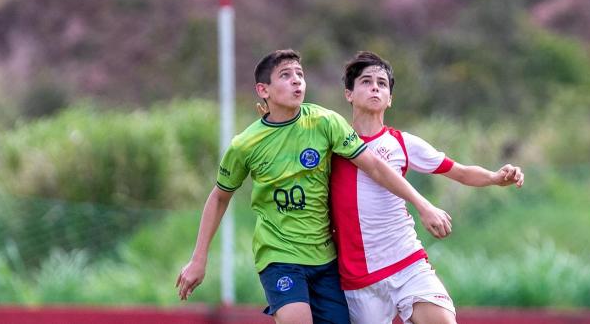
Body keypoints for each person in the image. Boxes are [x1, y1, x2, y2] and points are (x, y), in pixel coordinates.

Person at [176, 49, 453, 324]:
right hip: (279, 254)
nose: (296, 80)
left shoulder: (325, 123)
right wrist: (199, 259)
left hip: (325, 259)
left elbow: (375, 167)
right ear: (263, 90)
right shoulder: (245, 145)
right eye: (286, 75)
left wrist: (423, 204)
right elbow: (219, 197)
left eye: (300, 74)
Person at [331, 51, 525, 324]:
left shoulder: (402, 143)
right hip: (358, 278)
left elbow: (460, 171)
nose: (375, 87)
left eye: (382, 83)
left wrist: (495, 177)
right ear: (348, 94)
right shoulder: (332, 146)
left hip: (406, 263)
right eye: (366, 81)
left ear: (390, 98)